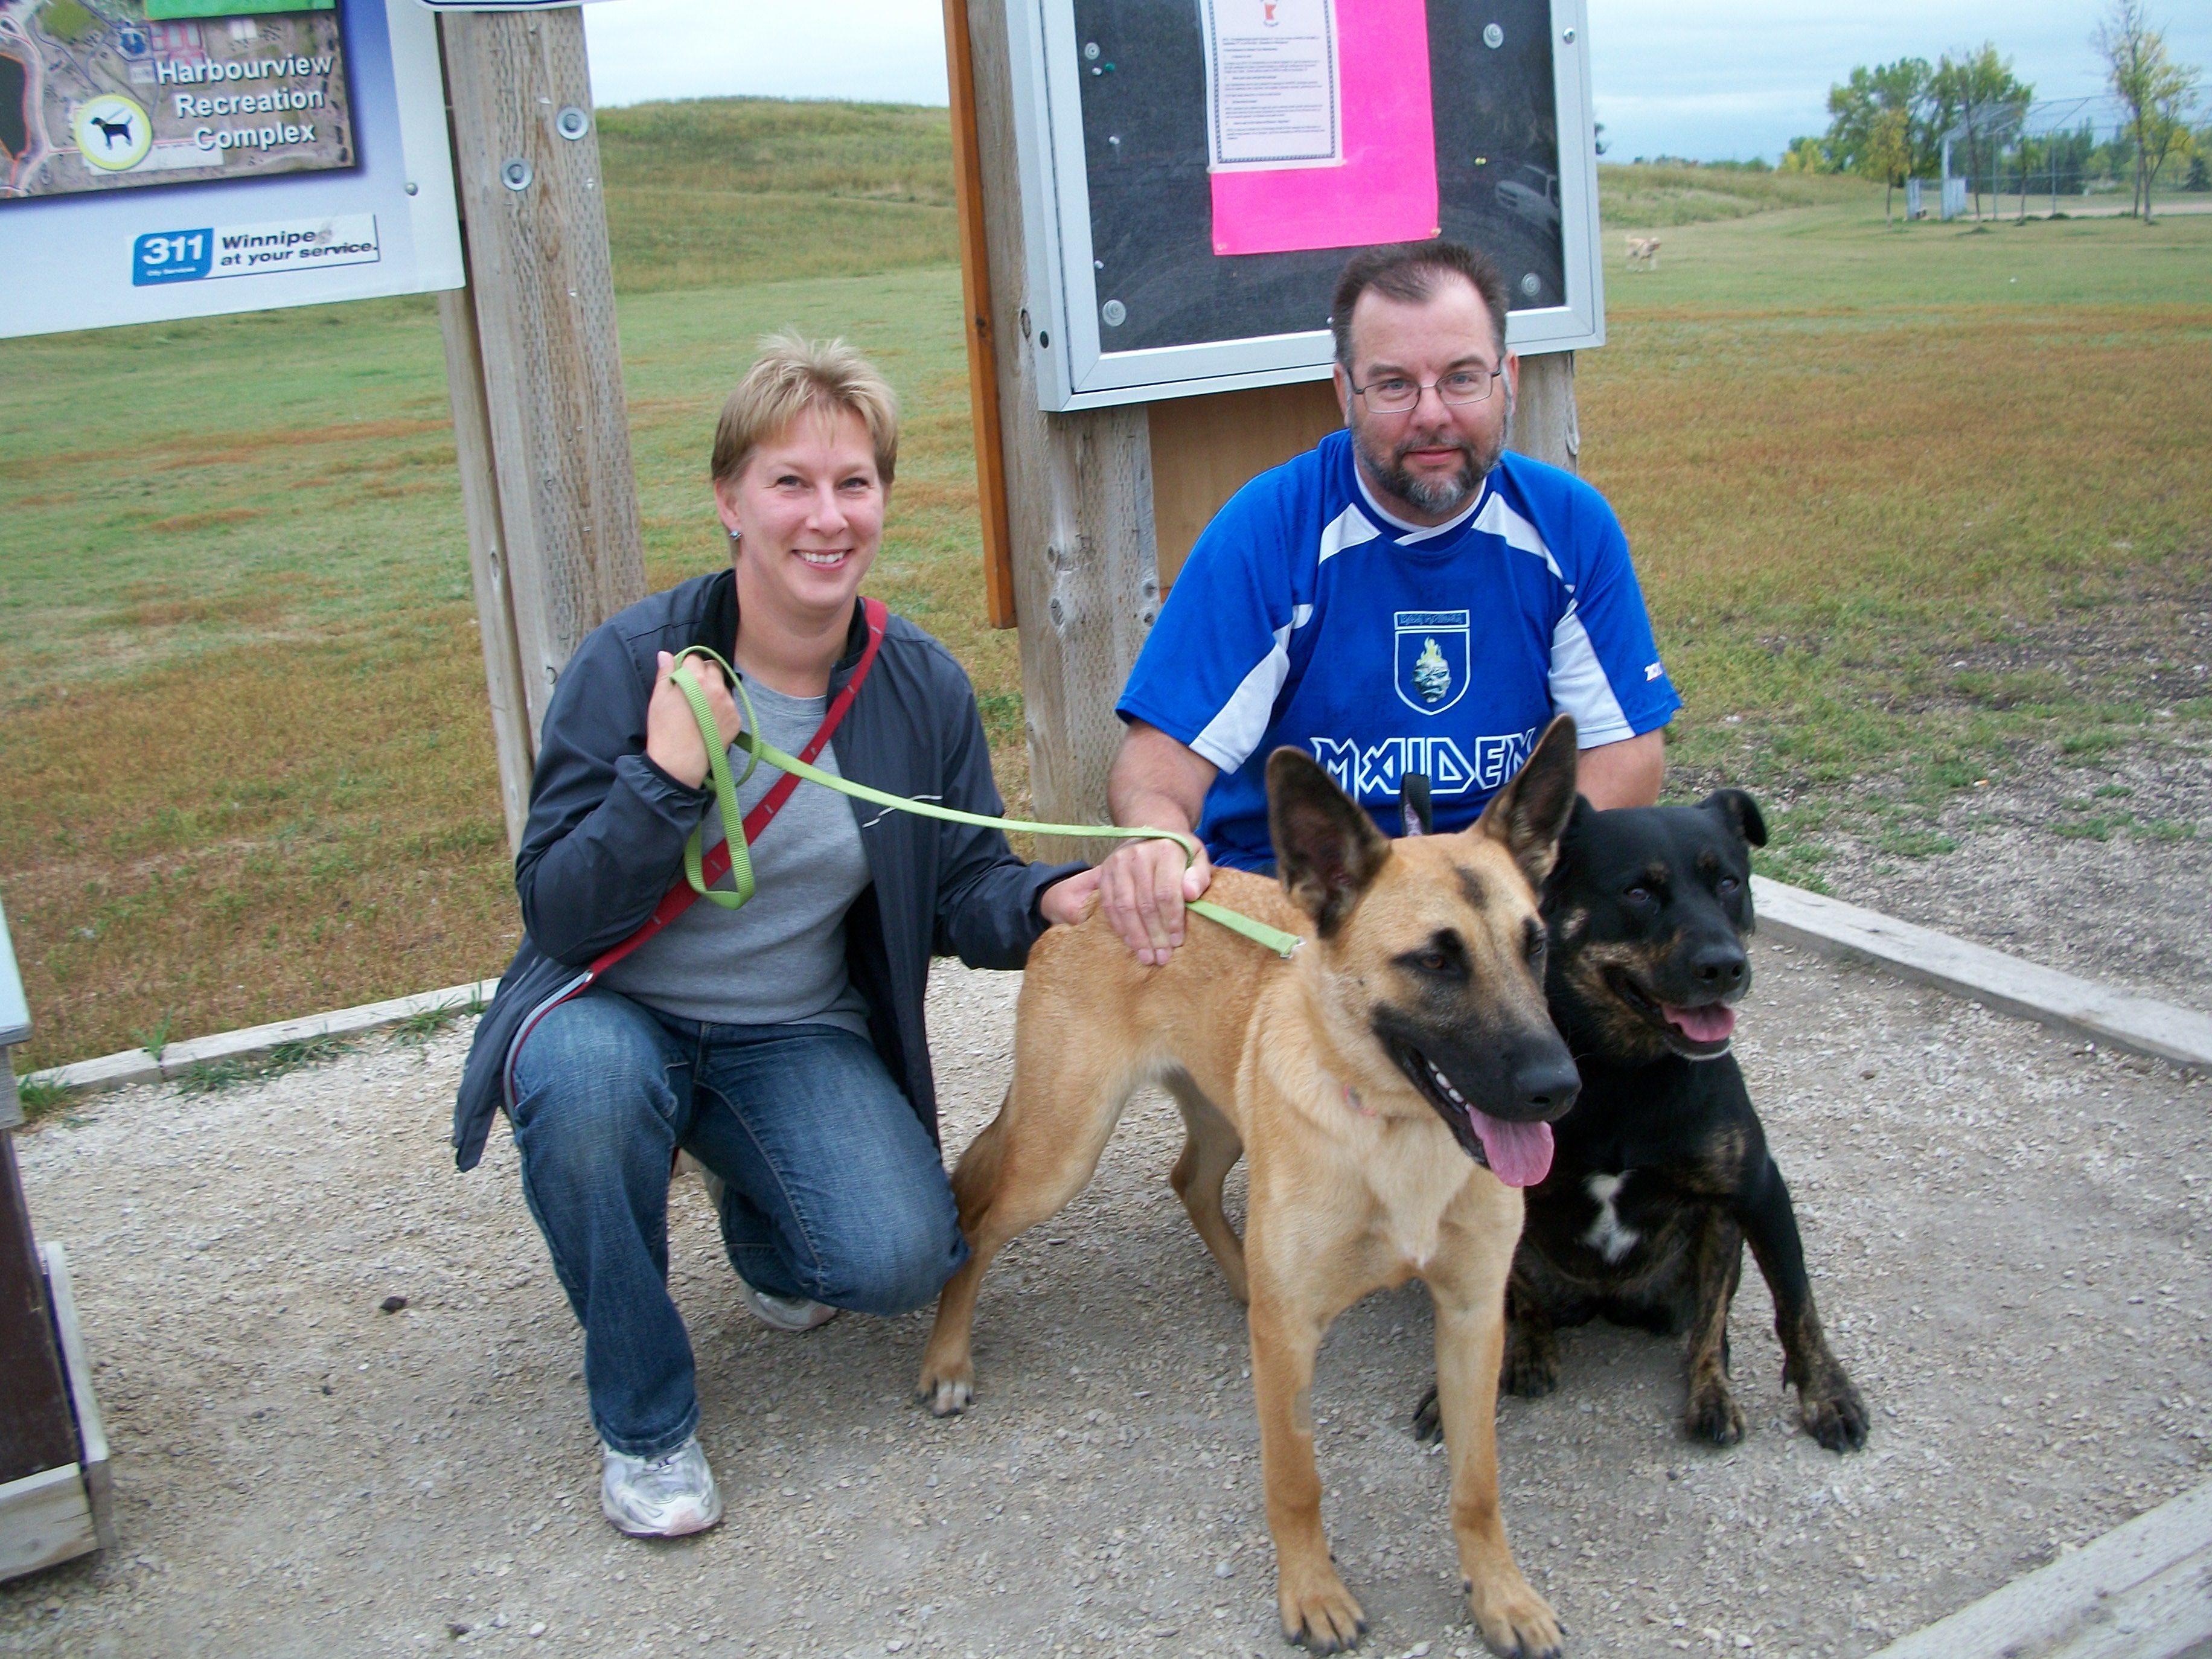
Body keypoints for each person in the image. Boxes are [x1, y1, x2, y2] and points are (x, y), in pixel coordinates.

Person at [450, 332, 1096, 1539]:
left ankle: (754, 1210)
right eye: (789, 482)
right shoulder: (629, 662)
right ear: (729, 500)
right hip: (615, 1010)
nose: (825, 516)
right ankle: (644, 1423)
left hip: (791, 1031)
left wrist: (1054, 899)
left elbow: (963, 885)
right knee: (589, 1095)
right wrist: (662, 777)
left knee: (897, 1262)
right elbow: (559, 910)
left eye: (854, 482)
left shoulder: (918, 685)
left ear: (883, 499)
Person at [1099, 239, 1681, 964]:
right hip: (1310, 908)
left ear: (1509, 378)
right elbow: (1159, 762)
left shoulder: (1568, 525)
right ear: (1344, 390)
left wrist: (1519, 899)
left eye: (1461, 379)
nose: (1431, 414)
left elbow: (1625, 754)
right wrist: (1158, 838)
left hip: (1497, 903)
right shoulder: (1269, 530)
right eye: (1394, 385)